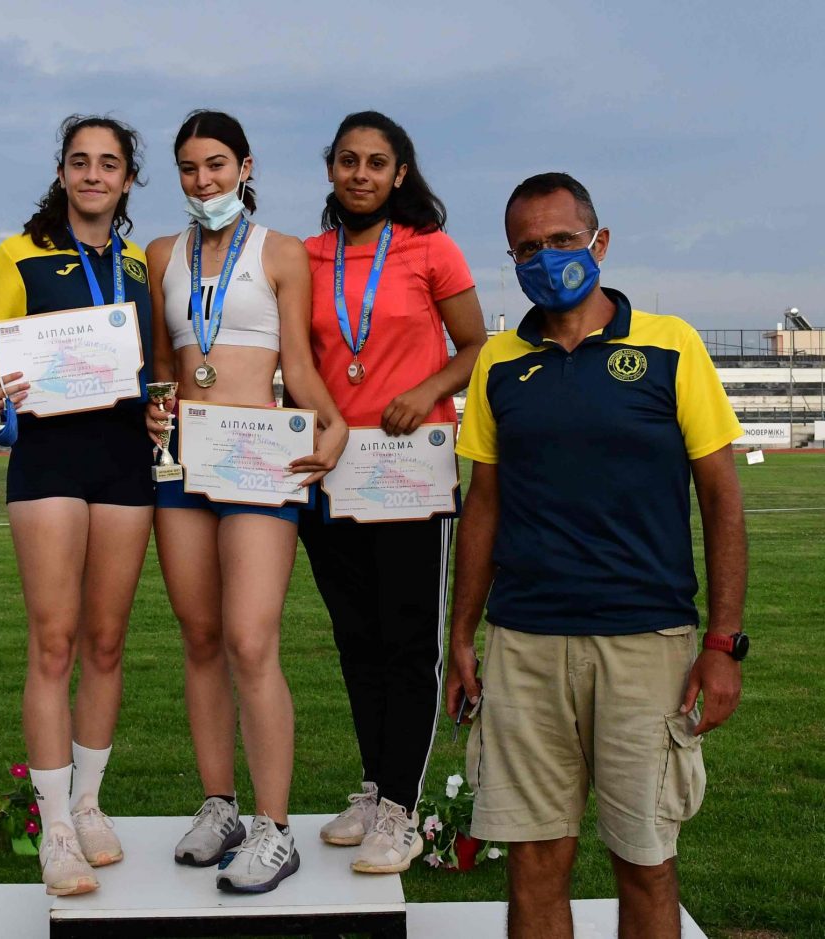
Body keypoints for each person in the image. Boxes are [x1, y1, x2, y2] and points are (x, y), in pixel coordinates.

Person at [447, 173, 748, 938]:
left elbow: (721, 498)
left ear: (599, 242)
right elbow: (483, 504)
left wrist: (722, 644)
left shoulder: (671, 344)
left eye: (562, 240)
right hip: (525, 643)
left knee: (645, 862)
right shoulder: (499, 361)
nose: (546, 258)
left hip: (646, 642)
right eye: (527, 248)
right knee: (533, 864)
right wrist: (461, 636)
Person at [143, 109, 348, 893]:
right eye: (190, 168)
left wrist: (329, 420)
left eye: (217, 165)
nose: (204, 181)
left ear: (246, 167)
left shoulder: (280, 251)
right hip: (182, 464)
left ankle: (275, 827)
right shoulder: (161, 254)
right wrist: (154, 407)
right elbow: (164, 366)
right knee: (200, 638)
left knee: (251, 640)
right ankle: (219, 805)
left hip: (259, 460)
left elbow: (298, 361)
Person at [0, 115, 156, 897]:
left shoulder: (140, 265)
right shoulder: (21, 253)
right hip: (48, 461)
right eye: (81, 162)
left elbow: (153, 373)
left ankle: (89, 803)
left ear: (128, 179)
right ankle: (56, 830)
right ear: (64, 172)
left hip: (125, 462)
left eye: (108, 163)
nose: (93, 175)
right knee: (54, 642)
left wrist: (161, 408)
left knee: (106, 642)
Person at [299, 111, 487, 874]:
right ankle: (377, 787)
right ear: (330, 168)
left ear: (400, 174)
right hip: (335, 471)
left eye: (377, 162)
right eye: (348, 160)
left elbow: (475, 346)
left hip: (411, 470)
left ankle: (403, 812)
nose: (361, 174)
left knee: (410, 643)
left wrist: (428, 388)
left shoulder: (431, 248)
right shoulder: (306, 256)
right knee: (358, 640)